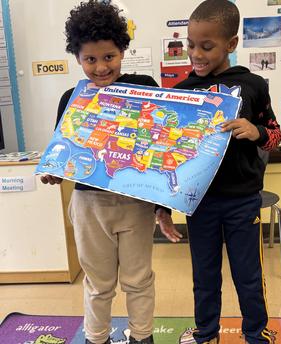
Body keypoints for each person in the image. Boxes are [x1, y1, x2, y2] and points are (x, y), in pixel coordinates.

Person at [40, 1, 175, 343]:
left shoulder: (145, 86)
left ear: (122, 51)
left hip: (135, 203)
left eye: (109, 57)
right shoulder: (73, 97)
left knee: (139, 278)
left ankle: (142, 336)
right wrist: (56, 172)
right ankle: (96, 337)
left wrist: (164, 207)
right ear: (78, 58)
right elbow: (65, 153)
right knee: (98, 283)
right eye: (90, 59)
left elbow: (160, 151)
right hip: (89, 206)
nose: (101, 67)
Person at [158, 1, 281, 343]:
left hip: (243, 201)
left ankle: (256, 333)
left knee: (248, 275)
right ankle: (206, 332)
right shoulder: (180, 92)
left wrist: (254, 131)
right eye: (190, 44)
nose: (195, 54)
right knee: (205, 275)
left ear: (231, 43)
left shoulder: (254, 85)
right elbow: (167, 154)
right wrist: (161, 206)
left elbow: (274, 135)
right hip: (199, 203)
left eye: (206, 46)